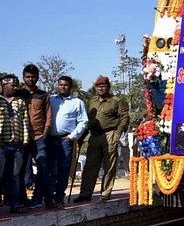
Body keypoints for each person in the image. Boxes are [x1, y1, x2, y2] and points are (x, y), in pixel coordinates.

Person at [73, 76, 129, 203]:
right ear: (96, 88)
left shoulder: (115, 101)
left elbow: (124, 117)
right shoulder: (92, 101)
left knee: (109, 165)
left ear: (108, 87)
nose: (101, 88)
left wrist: (118, 133)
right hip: (94, 135)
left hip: (109, 134)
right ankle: (85, 194)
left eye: (103, 86)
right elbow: (89, 119)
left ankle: (105, 193)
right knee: (90, 166)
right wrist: (83, 135)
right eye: (98, 87)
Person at [15, 64, 54, 209]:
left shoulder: (43, 95)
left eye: (33, 76)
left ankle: (44, 199)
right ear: (23, 77)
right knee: (20, 169)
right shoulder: (18, 94)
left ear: (37, 77)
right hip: (22, 138)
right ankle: (22, 199)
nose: (30, 79)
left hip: (39, 137)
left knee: (43, 168)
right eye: (28, 77)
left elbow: (48, 115)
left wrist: (45, 132)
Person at [48, 76, 88, 207]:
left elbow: (83, 121)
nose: (63, 87)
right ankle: (48, 198)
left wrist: (72, 136)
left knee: (63, 169)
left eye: (65, 85)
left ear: (70, 86)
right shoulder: (51, 99)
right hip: (50, 139)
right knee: (48, 170)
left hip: (66, 140)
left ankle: (59, 197)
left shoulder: (77, 102)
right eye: (60, 85)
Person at [0, 74, 30, 213]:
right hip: (2, 144)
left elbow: (25, 121)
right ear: (4, 85)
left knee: (15, 175)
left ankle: (15, 204)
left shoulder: (20, 101)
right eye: (12, 85)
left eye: (16, 85)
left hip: (17, 144)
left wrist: (25, 139)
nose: (15, 88)